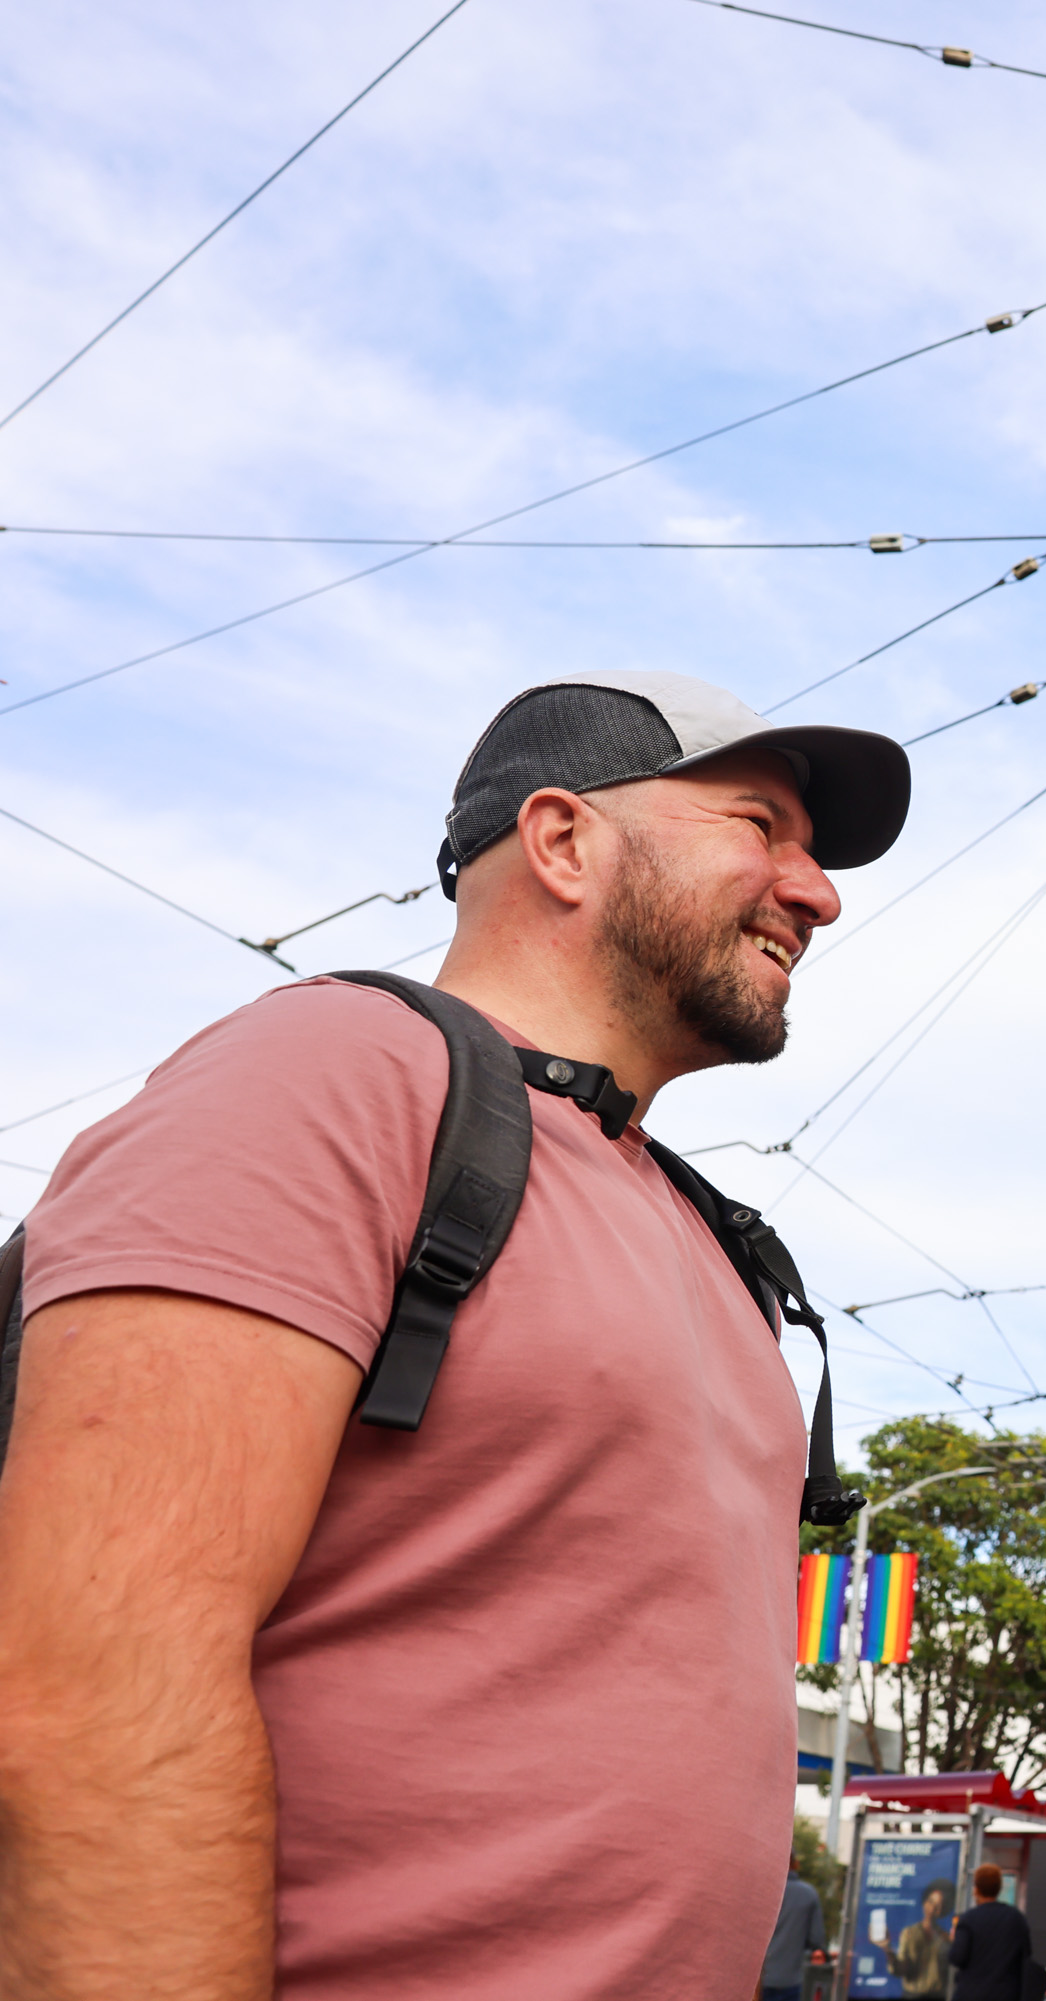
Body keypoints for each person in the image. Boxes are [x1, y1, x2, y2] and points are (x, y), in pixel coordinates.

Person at [0, 672, 910, 2000]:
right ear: (561, 842)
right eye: (758, 824)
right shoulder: (338, 1076)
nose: (816, 890)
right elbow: (89, 1706)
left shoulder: (709, 1235)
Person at [948, 1862, 1035, 2001]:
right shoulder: (1016, 1918)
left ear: (976, 1890)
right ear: (999, 1888)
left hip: (970, 1994)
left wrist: (954, 1940)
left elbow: (957, 1957)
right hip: (1006, 1995)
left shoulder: (968, 1920)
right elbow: (1026, 1954)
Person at [763, 1849, 829, 2001]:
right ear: (796, 1864)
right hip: (790, 1978)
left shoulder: (763, 1891)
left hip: (759, 1979)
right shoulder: (809, 1894)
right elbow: (816, 1940)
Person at [891, 1879, 956, 1999]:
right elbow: (900, 1968)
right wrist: (887, 1949)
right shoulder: (909, 1933)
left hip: (936, 1996)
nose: (932, 1909)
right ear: (924, 1902)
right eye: (930, 1902)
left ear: (942, 1911)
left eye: (938, 1906)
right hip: (912, 1995)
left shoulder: (945, 1938)